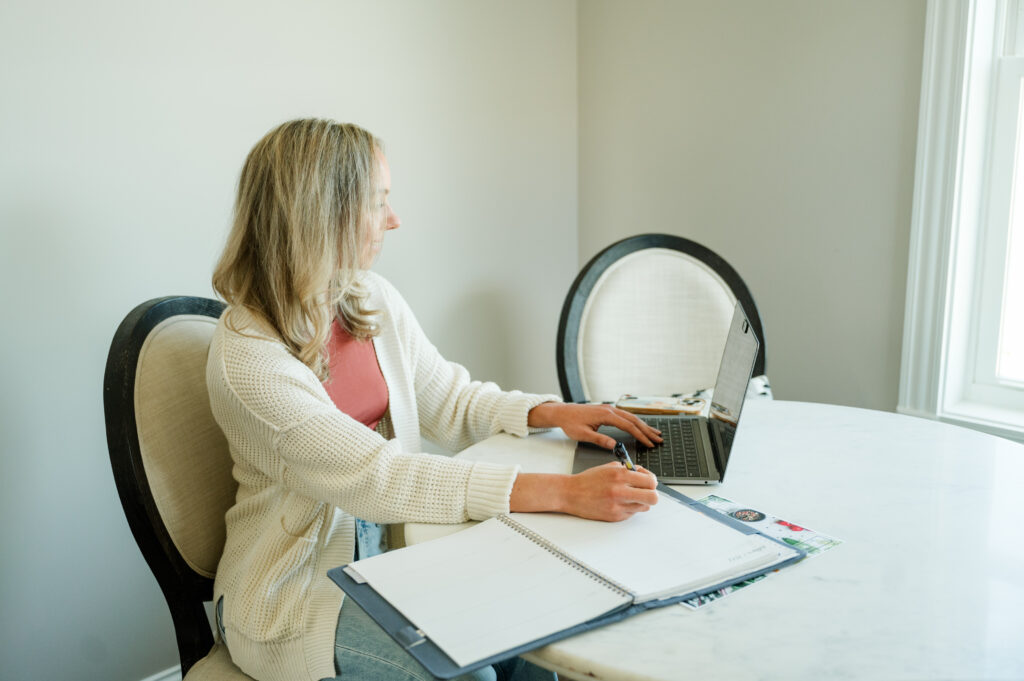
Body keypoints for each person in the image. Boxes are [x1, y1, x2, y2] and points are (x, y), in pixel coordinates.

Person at [207, 118, 662, 681]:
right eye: (379, 202)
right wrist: (565, 493)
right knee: (470, 673)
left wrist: (549, 412)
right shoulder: (247, 359)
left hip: (394, 554)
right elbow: (378, 477)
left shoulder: (367, 297)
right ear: (325, 214)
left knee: (544, 623)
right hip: (292, 596)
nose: (393, 220)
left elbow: (449, 399)